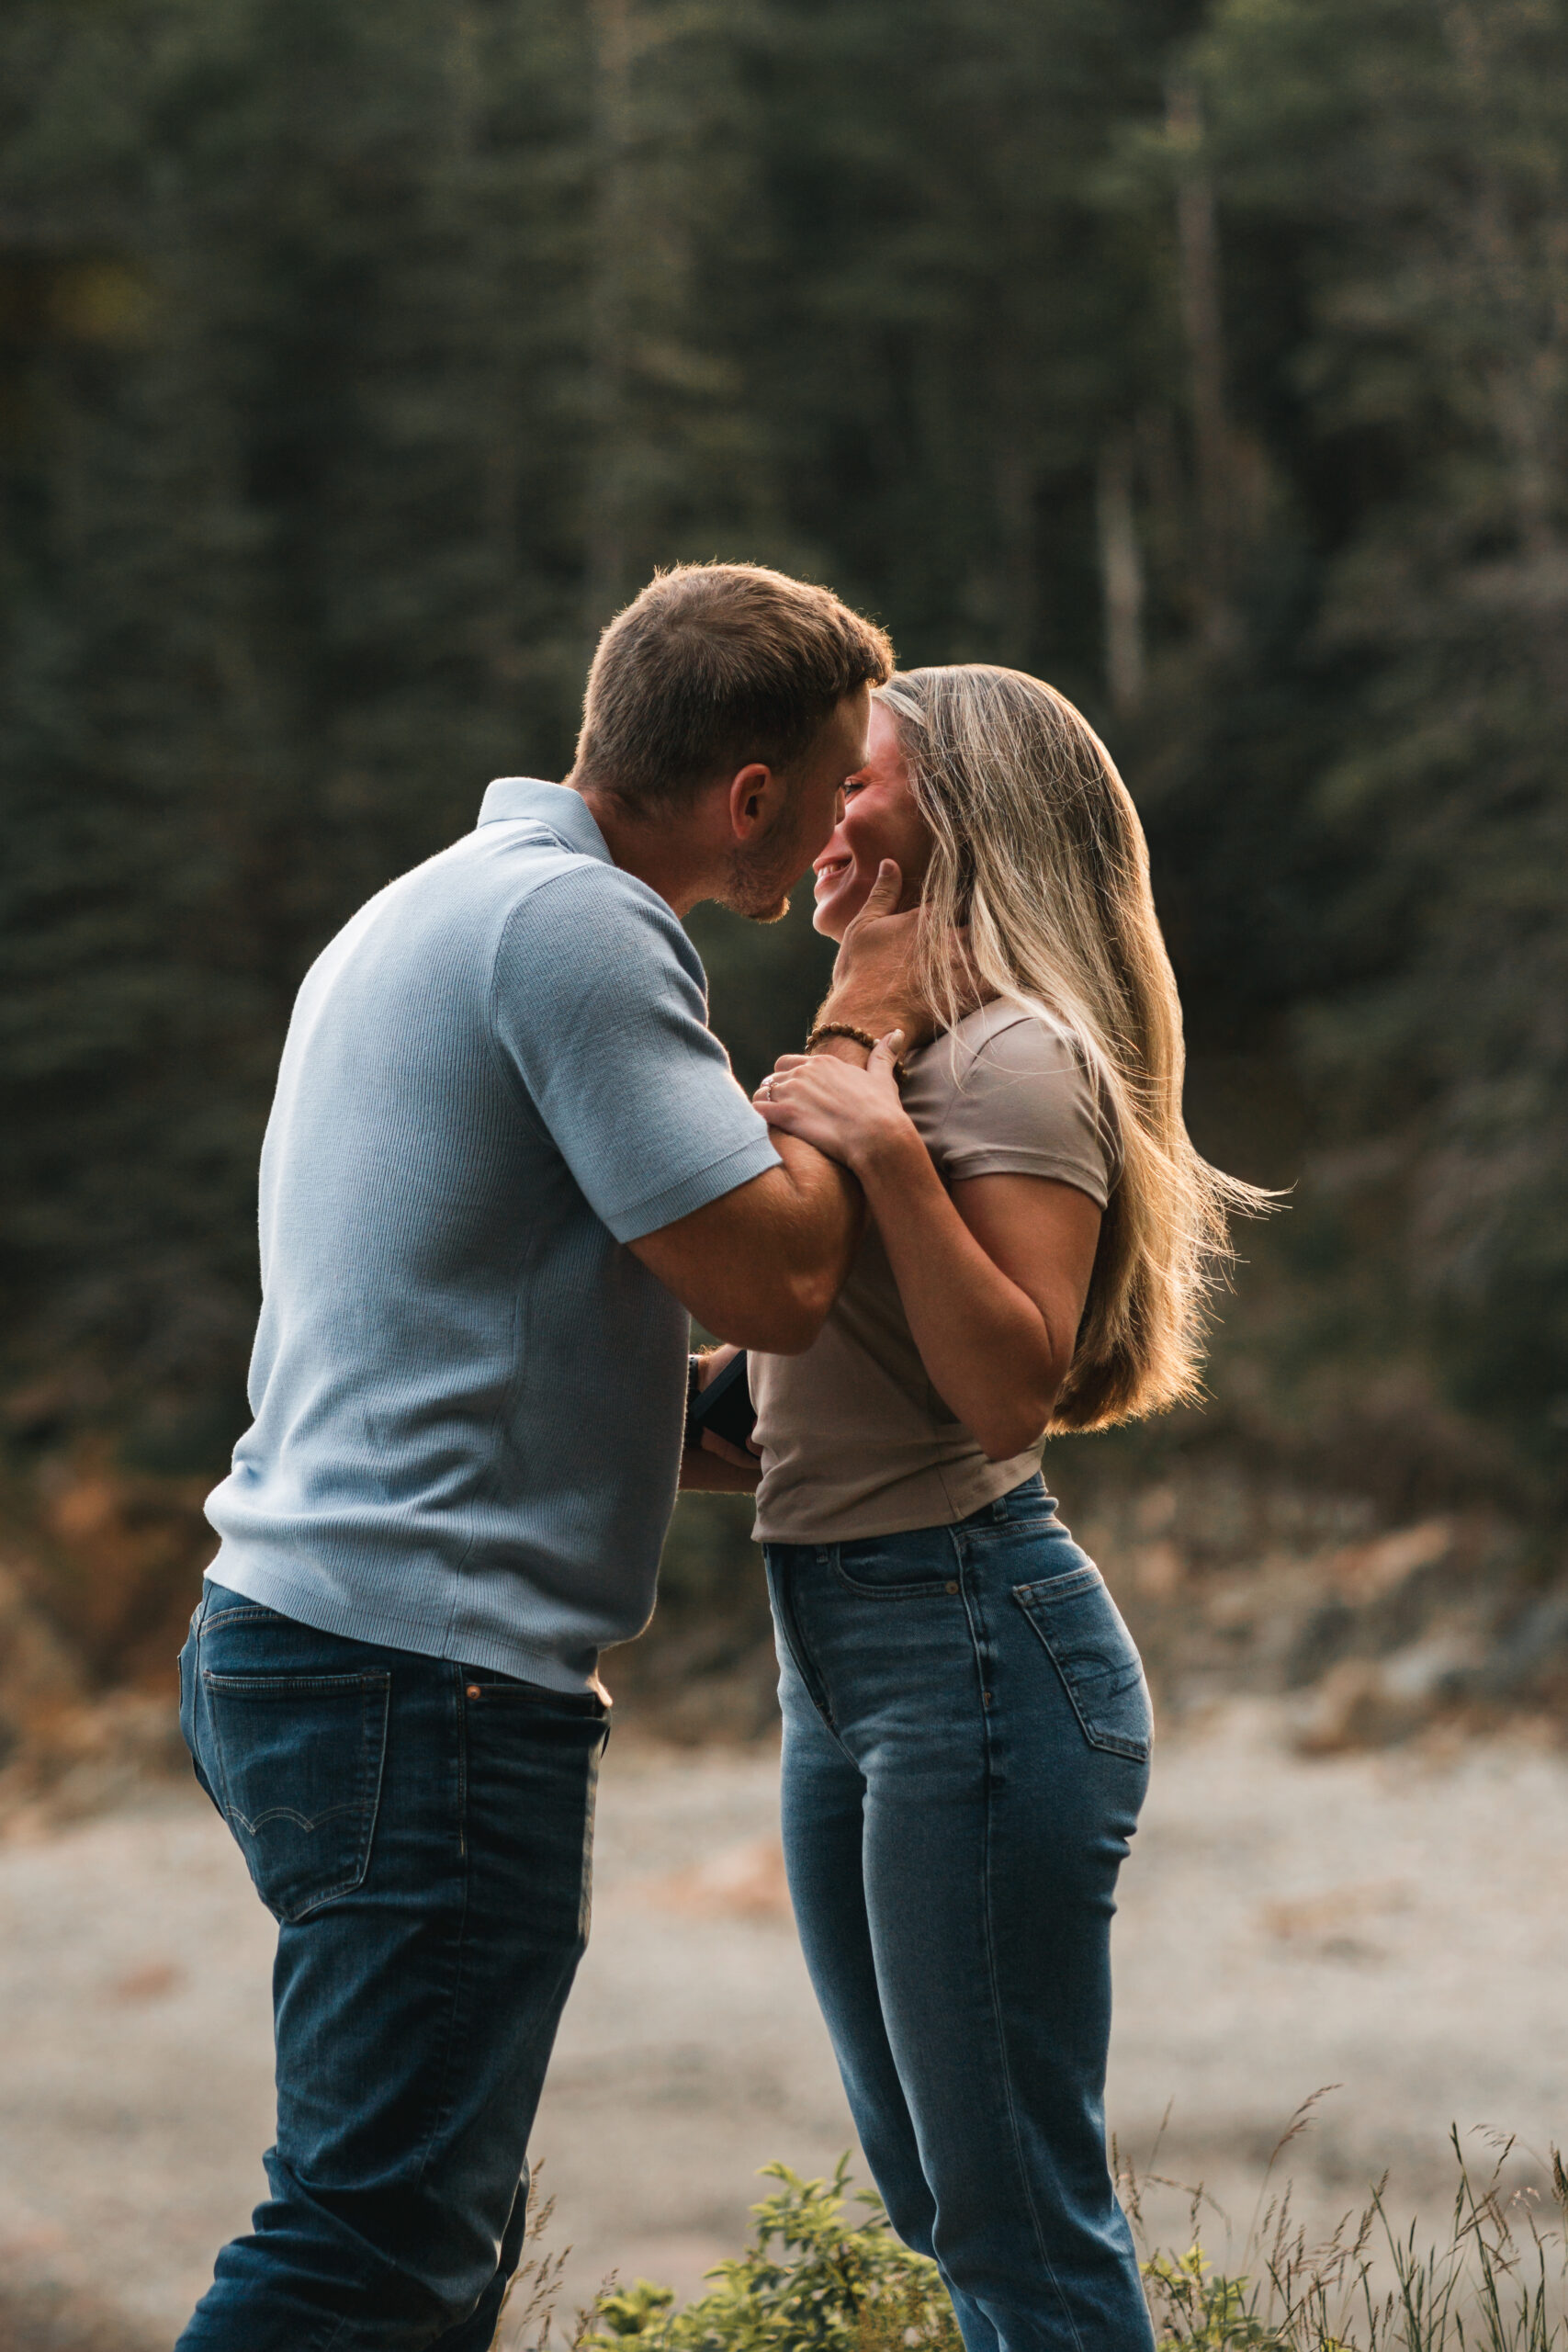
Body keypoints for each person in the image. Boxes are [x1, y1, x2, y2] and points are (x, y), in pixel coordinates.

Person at [175, 563, 942, 2351]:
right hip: (416, 1684)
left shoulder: (430, 907)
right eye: (834, 789)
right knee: (368, 2244)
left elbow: (486, 1336)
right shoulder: (579, 930)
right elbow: (776, 1269)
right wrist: (859, 1024)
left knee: (421, 2237)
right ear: (751, 796)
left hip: (313, 1639)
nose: (839, 830)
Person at [739, 665, 1269, 2352]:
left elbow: (1004, 1391)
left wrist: (883, 1151)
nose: (824, 809)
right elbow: (816, 1405)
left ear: (957, 816)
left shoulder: (1017, 1061)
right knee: (936, 2190)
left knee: (1017, 2220)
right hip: (836, 1659)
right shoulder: (919, 1052)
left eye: (860, 778)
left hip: (971, 1646)